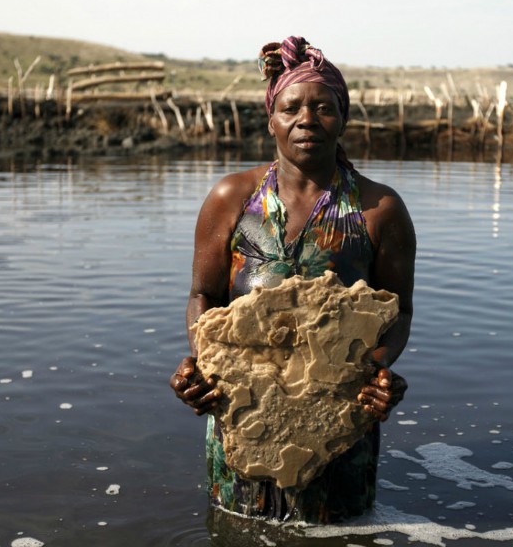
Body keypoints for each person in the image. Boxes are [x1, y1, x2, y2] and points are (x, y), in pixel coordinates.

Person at [169, 36, 415, 524]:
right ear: (271, 120)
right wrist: (203, 363)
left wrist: (378, 371)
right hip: (243, 412)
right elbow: (204, 295)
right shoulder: (231, 199)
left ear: (342, 118)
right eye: (291, 108)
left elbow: (399, 310)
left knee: (339, 531)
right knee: (237, 527)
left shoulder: (379, 210)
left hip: (338, 417)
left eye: (324, 107)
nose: (307, 119)